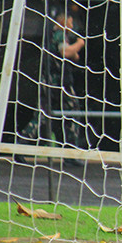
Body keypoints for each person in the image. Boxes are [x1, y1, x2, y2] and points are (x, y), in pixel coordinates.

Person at [21, 9, 85, 160]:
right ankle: (70, 151)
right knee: (72, 112)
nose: (72, 26)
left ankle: (22, 142)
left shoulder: (54, 35)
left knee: (44, 114)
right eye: (70, 22)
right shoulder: (59, 34)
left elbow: (73, 56)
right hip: (59, 82)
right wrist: (79, 43)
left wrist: (73, 50)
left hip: (51, 80)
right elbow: (66, 52)